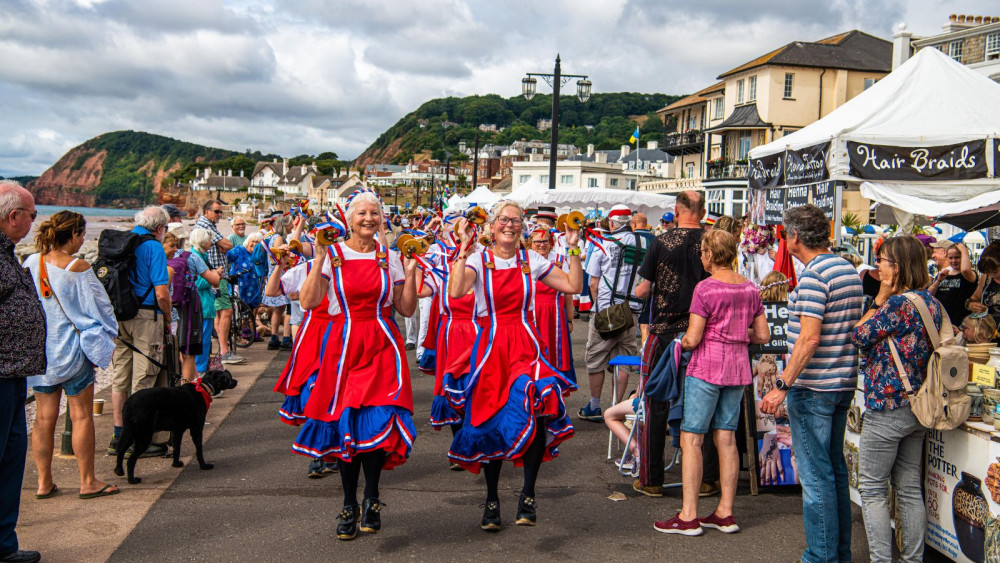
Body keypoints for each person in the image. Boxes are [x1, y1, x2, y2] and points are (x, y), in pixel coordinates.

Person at [447, 199, 582, 531]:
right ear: (492, 227)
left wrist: (575, 249)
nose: (510, 225)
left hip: (525, 345)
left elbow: (573, 286)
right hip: (490, 348)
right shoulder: (480, 259)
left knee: (537, 408)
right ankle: (492, 499)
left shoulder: (531, 260)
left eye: (516, 221)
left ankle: (528, 494)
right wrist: (463, 247)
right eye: (504, 220)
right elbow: (455, 290)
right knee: (489, 420)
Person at [295, 191, 419, 541]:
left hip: (383, 346)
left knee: (378, 426)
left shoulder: (389, 257)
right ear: (348, 219)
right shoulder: (332, 254)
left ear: (382, 218)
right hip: (344, 346)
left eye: (374, 213)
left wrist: (409, 272)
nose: (368, 218)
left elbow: (406, 309)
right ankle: (349, 503)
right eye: (361, 213)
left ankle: (373, 498)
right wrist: (318, 259)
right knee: (347, 425)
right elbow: (309, 301)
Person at [760, 204, 863, 563]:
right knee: (832, 473)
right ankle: (837, 553)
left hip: (815, 387)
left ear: (794, 237)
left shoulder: (815, 275)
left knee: (818, 478)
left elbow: (809, 339)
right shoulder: (846, 269)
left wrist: (782, 385)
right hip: (839, 383)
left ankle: (822, 556)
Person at [654, 229, 769, 535]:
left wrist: (682, 343)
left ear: (709, 255)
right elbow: (762, 335)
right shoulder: (750, 289)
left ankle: (689, 515)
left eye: (703, 252)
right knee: (726, 439)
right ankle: (725, 512)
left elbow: (692, 338)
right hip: (737, 368)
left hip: (706, 367)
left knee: (693, 438)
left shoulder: (705, 289)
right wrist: (735, 335)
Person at [851, 236, 940, 562]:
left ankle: (881, 560)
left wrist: (880, 297)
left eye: (884, 261)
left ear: (897, 267)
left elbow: (859, 335)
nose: (878, 267)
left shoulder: (896, 305)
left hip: (887, 404)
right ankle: (912, 559)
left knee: (873, 489)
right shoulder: (930, 302)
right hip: (919, 405)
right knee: (908, 489)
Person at [25, 211, 120, 501]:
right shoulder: (78, 267)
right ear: (75, 235)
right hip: (73, 352)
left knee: (43, 418)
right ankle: (87, 481)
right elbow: (101, 309)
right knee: (80, 416)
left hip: (42, 352)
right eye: (83, 234)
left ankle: (43, 482)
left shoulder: (31, 262)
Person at [632, 190, 707, 497]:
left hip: (664, 331)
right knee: (705, 407)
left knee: (654, 404)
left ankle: (651, 479)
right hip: (703, 332)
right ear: (702, 210)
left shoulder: (661, 242)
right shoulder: (712, 242)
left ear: (676, 209)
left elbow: (643, 289)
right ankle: (709, 479)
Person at [0, 180, 44, 563]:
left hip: (13, 375)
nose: (35, 220)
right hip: (1, 374)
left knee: (12, 459)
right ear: (14, 217)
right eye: (33, 214)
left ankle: (3, 546)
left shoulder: (6, 252)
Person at [110, 205, 172, 458]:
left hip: (120, 315)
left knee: (120, 376)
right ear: (159, 228)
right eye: (165, 229)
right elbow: (161, 292)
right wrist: (168, 318)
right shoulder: (154, 247)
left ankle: (118, 434)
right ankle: (138, 439)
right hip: (146, 315)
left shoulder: (124, 241)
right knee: (144, 377)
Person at [579, 204, 646, 422]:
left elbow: (594, 282)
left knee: (596, 356)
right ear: (630, 222)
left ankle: (595, 406)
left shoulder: (603, 243)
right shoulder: (644, 243)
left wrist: (597, 306)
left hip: (606, 309)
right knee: (625, 357)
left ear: (612, 223)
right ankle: (617, 406)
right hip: (631, 310)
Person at [195, 200, 242, 364]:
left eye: (220, 212)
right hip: (215, 274)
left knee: (219, 312)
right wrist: (222, 245)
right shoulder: (205, 225)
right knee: (226, 311)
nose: (220, 215)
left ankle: (221, 350)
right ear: (207, 211)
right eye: (217, 211)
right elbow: (227, 244)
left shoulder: (208, 225)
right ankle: (224, 351)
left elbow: (225, 246)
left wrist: (223, 245)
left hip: (215, 273)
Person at [529, 227, 575, 378]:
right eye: (537, 242)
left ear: (551, 242)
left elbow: (568, 292)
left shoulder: (560, 260)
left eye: (545, 241)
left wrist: (569, 319)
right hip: (532, 314)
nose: (541, 245)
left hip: (555, 314)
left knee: (556, 352)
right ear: (530, 243)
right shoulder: (525, 259)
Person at [188, 228, 223, 376]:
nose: (211, 242)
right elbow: (198, 283)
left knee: (202, 339)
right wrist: (215, 274)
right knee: (202, 340)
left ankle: (199, 369)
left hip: (203, 304)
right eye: (209, 239)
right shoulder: (196, 257)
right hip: (202, 304)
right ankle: (200, 371)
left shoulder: (200, 255)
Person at [261, 213, 293, 350]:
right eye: (291, 223)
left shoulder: (272, 237)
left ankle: (274, 339)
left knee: (278, 309)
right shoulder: (279, 238)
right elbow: (278, 260)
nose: (292, 225)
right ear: (285, 225)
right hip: (280, 276)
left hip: (274, 275)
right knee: (288, 307)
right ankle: (285, 338)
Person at [928, 241, 978, 326]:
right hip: (941, 320)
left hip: (960, 322)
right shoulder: (943, 274)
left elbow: (965, 270)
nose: (954, 261)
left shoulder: (968, 275)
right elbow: (929, 295)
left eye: (957, 257)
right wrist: (938, 281)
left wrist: (964, 251)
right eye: (951, 258)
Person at [966, 241, 1000, 334]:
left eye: (995, 271)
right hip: (988, 333)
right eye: (988, 272)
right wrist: (971, 305)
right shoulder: (986, 278)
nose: (992, 275)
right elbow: (974, 298)